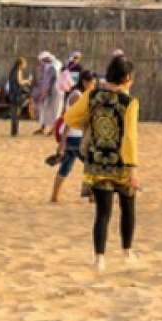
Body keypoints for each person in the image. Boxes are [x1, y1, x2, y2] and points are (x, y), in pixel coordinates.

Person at [64, 56, 141, 272]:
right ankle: (127, 252)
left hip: (97, 162)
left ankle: (99, 258)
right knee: (128, 208)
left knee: (102, 213)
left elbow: (70, 118)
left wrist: (88, 123)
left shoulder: (93, 96)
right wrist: (132, 169)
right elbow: (130, 137)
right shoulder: (129, 103)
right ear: (127, 78)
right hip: (121, 164)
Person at [51, 71, 96, 203]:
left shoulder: (79, 95)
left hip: (75, 137)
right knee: (91, 165)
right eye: (92, 83)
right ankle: (92, 197)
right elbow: (69, 119)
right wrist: (62, 142)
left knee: (66, 166)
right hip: (75, 137)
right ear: (85, 82)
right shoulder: (78, 96)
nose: (94, 86)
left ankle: (54, 197)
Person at [32, 52, 63, 136]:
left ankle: (54, 129)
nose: (42, 62)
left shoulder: (56, 64)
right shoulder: (45, 67)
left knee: (55, 110)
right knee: (44, 110)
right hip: (48, 92)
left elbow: (53, 78)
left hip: (56, 91)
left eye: (44, 60)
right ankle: (42, 128)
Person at [7, 57, 31, 136]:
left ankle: (13, 131)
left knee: (14, 113)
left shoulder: (12, 71)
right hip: (17, 95)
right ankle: (15, 131)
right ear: (20, 64)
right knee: (16, 114)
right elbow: (20, 82)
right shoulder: (18, 71)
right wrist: (27, 81)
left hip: (12, 94)